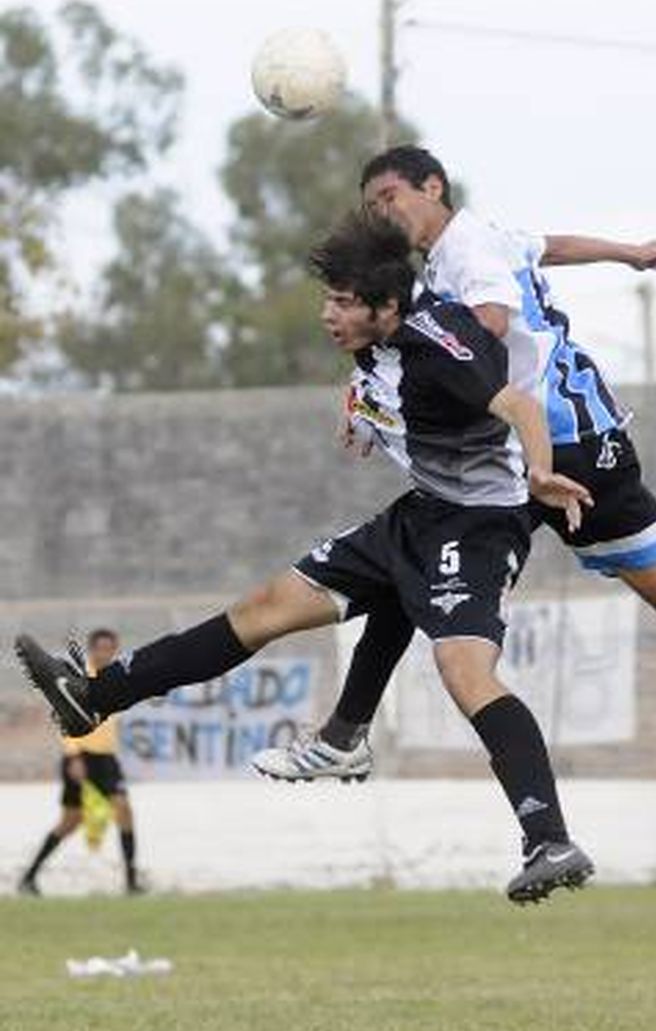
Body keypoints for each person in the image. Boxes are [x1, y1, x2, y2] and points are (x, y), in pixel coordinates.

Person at [15, 215, 595, 905]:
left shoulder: (443, 354)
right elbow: (387, 379)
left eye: (343, 302)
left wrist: (539, 471)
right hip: (417, 513)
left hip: (476, 526)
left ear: (386, 307)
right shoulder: (381, 341)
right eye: (329, 298)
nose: (329, 314)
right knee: (262, 609)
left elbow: (520, 405)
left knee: (465, 671)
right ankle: (92, 698)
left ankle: (549, 837)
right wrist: (362, 404)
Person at [278, 144, 656, 781]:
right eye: (371, 205)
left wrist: (403, 388)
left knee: (419, 551)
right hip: (591, 435)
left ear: (433, 188)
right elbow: (551, 245)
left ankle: (346, 734)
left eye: (389, 198)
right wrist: (627, 251)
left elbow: (486, 322)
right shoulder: (485, 238)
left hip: (550, 448)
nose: (382, 214)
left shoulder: (464, 252)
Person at [18, 628, 143, 896]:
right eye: (101, 649)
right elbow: (64, 717)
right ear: (92, 650)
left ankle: (131, 881)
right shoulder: (79, 677)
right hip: (81, 758)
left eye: (111, 649)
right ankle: (29, 876)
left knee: (124, 811)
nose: (106, 654)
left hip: (107, 760)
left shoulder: (116, 678)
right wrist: (73, 755)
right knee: (70, 821)